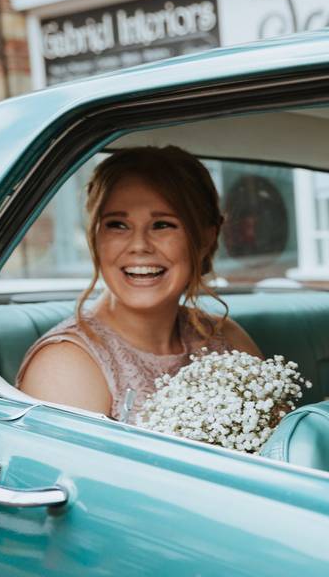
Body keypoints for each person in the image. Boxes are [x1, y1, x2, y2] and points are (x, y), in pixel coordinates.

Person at [17, 146, 262, 420]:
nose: (139, 246)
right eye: (117, 225)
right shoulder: (65, 365)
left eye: (162, 225)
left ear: (205, 238)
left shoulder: (227, 339)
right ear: (95, 238)